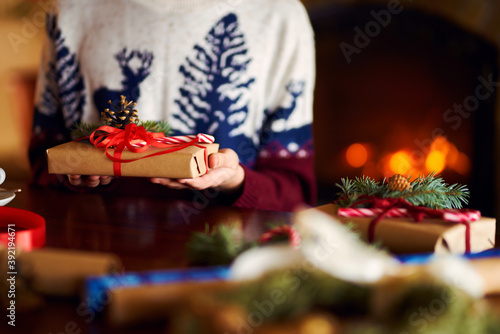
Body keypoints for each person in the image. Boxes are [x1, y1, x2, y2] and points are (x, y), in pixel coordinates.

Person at [29, 0, 316, 212]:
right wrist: (74, 171)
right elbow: (43, 164)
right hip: (93, 251)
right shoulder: (70, 10)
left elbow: (295, 194)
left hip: (223, 261)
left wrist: (235, 180)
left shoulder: (279, 16)